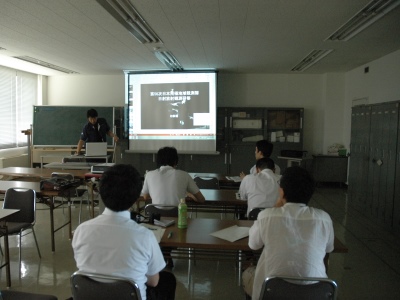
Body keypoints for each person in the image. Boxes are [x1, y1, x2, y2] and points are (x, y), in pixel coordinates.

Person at [72, 164, 176, 300]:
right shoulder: (144, 236)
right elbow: (153, 281)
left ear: (102, 192)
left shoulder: (81, 230)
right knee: (167, 280)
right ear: (134, 198)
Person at [242, 166, 334, 299]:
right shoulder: (324, 218)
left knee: (247, 274)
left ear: (281, 191)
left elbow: (253, 245)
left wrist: (278, 203)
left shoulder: (267, 216)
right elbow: (329, 248)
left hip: (272, 291)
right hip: (314, 293)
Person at [141, 146, 205, 205]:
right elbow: (201, 199)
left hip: (157, 216)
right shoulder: (184, 175)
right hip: (177, 216)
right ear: (175, 161)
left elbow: (145, 197)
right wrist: (189, 194)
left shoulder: (149, 175)